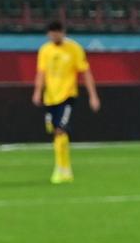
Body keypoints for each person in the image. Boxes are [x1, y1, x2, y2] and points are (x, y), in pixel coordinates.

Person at [31, 19, 100, 183]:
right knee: (54, 131)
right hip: (50, 97)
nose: (55, 36)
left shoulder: (74, 49)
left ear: (63, 33)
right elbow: (41, 73)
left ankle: (60, 169)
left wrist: (93, 95)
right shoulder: (45, 50)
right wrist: (37, 92)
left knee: (60, 130)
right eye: (52, 34)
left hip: (67, 96)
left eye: (57, 33)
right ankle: (65, 169)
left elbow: (85, 72)